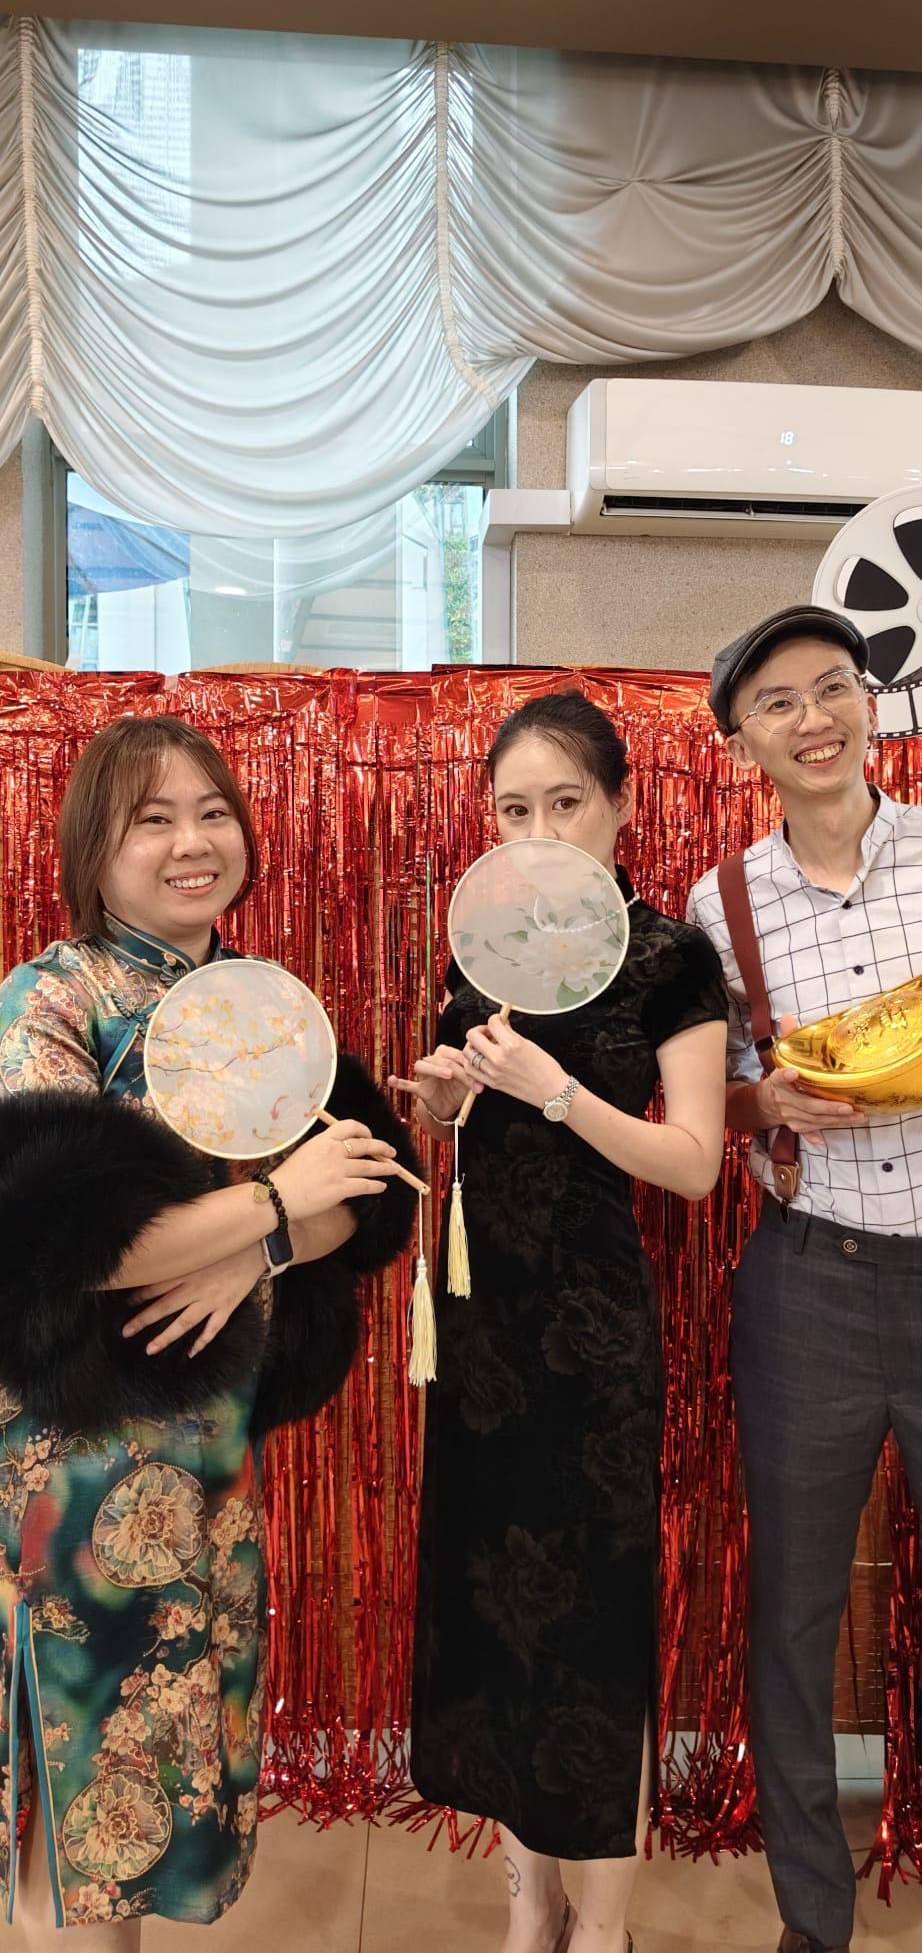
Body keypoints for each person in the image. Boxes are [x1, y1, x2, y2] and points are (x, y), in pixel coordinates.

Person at [0, 714, 420, 1944]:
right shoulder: (54, 992)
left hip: (211, 1448)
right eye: (153, 819)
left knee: (178, 1734)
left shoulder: (257, 999)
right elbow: (62, 1240)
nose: (194, 842)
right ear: (95, 845)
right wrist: (275, 1202)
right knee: (83, 1774)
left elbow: (366, 1188)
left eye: (212, 811)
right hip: (76, 1455)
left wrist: (270, 1241)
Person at [405, 691, 728, 1953]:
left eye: (565, 802)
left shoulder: (666, 955)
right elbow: (448, 1119)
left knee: (590, 1621)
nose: (537, 828)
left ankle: (605, 1921)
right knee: (498, 1609)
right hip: (483, 1330)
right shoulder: (479, 947)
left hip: (593, 1335)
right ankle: (526, 1896)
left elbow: (694, 1159)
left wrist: (552, 1091)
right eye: (513, 807)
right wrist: (440, 1098)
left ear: (622, 806)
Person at [686, 603, 922, 1953]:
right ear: (740, 744)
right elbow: (696, 1087)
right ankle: (809, 1924)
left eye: (833, 687)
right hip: (808, 1282)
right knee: (791, 1612)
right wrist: (760, 1100)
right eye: (778, 702)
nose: (813, 717)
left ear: (870, 707)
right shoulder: (720, 907)